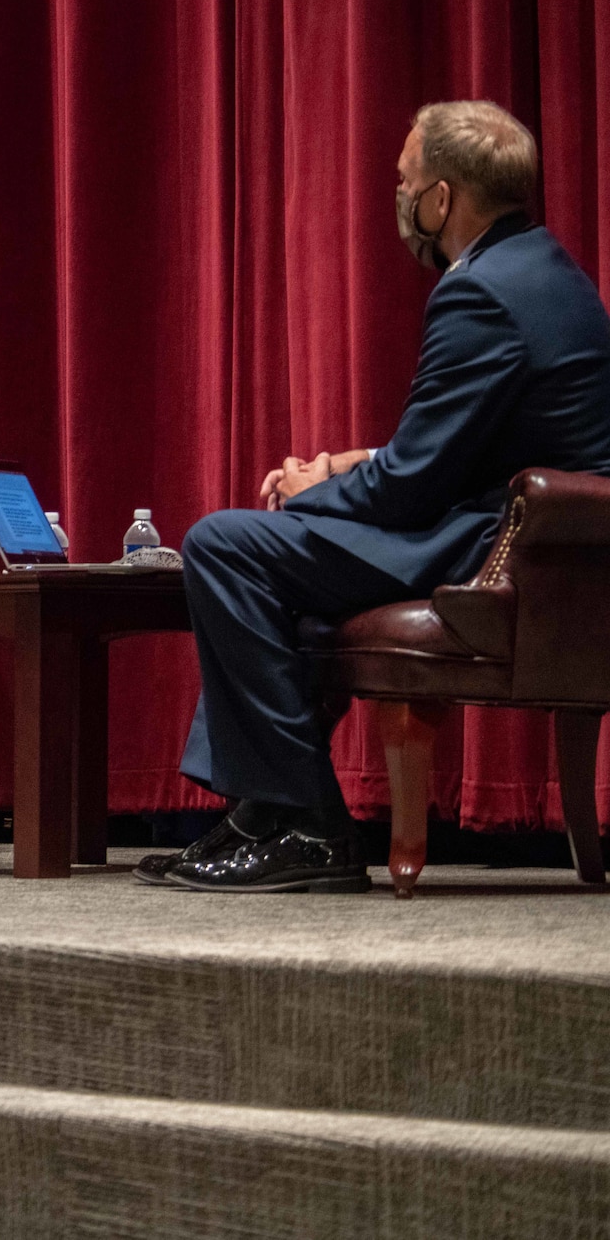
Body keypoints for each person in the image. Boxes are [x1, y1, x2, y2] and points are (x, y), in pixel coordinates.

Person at [144, 101, 610, 893]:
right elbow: (468, 443)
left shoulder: (482, 295)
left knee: (224, 544)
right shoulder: (546, 270)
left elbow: (408, 487)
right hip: (536, 534)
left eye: (405, 180)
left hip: (496, 548)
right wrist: (344, 468)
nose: (397, 195)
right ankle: (266, 810)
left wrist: (304, 493)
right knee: (274, 574)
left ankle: (309, 823)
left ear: (442, 199)